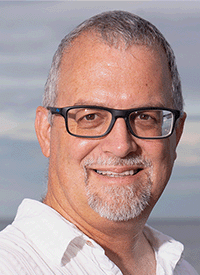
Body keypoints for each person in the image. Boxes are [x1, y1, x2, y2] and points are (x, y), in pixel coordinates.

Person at [0, 10, 198, 275]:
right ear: (46, 131)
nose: (121, 145)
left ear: (176, 135)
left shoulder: (182, 269)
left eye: (145, 117)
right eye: (90, 117)